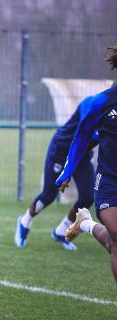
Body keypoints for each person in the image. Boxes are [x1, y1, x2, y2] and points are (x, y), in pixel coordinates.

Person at [56, 44, 117, 281]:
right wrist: (67, 171)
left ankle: (85, 224)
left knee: (114, 243)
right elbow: (80, 138)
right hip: (110, 179)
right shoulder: (100, 103)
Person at [14, 97, 97, 250]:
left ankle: (61, 231)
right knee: (49, 195)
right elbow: (86, 128)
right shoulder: (94, 103)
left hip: (82, 156)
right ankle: (24, 221)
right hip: (61, 151)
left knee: (88, 197)